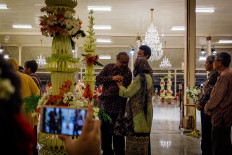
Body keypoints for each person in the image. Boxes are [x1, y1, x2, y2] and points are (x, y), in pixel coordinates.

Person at [96, 52, 132, 155]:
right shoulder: (109, 67)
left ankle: (119, 152)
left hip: (119, 108)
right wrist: (112, 78)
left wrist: (102, 96)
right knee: (105, 132)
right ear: (117, 60)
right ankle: (107, 151)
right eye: (122, 62)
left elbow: (118, 90)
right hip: (106, 107)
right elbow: (98, 79)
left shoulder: (128, 73)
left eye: (127, 62)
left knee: (118, 133)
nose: (125, 64)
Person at [116, 57, 153, 155]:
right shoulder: (149, 76)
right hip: (147, 110)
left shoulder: (140, 78)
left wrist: (120, 86)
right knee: (144, 135)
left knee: (135, 134)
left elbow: (128, 93)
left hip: (138, 113)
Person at [0, 54, 35, 154]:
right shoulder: (26, 77)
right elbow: (37, 92)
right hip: (25, 113)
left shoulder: (7, 78)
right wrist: (29, 106)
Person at [205, 52, 232, 155]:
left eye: (215, 61)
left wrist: (208, 107)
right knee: (225, 142)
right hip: (227, 115)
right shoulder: (228, 73)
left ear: (220, 63)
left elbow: (217, 96)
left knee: (218, 144)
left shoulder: (225, 75)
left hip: (221, 116)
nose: (213, 63)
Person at [196, 55, 220, 155]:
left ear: (212, 64)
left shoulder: (214, 76)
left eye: (206, 62)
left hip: (208, 108)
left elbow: (208, 93)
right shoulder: (212, 75)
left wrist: (200, 103)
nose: (205, 65)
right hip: (207, 107)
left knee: (207, 131)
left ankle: (207, 151)